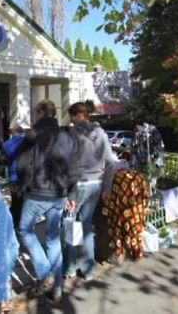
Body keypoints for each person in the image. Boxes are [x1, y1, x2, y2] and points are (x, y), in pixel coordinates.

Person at [17, 99, 79, 303]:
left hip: (37, 192)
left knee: (25, 231)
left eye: (36, 112)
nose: (34, 116)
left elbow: (22, 164)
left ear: (43, 112)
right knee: (53, 239)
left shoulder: (33, 133)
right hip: (59, 194)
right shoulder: (66, 135)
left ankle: (45, 273)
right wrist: (71, 195)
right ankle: (57, 287)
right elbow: (73, 168)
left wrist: (23, 186)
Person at [64, 100, 115, 280]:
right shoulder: (101, 133)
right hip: (97, 184)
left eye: (72, 116)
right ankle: (88, 270)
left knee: (71, 225)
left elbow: (70, 166)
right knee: (85, 225)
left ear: (79, 115)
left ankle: (70, 267)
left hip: (79, 185)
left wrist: (69, 194)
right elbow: (110, 162)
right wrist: (106, 188)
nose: (70, 120)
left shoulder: (73, 134)